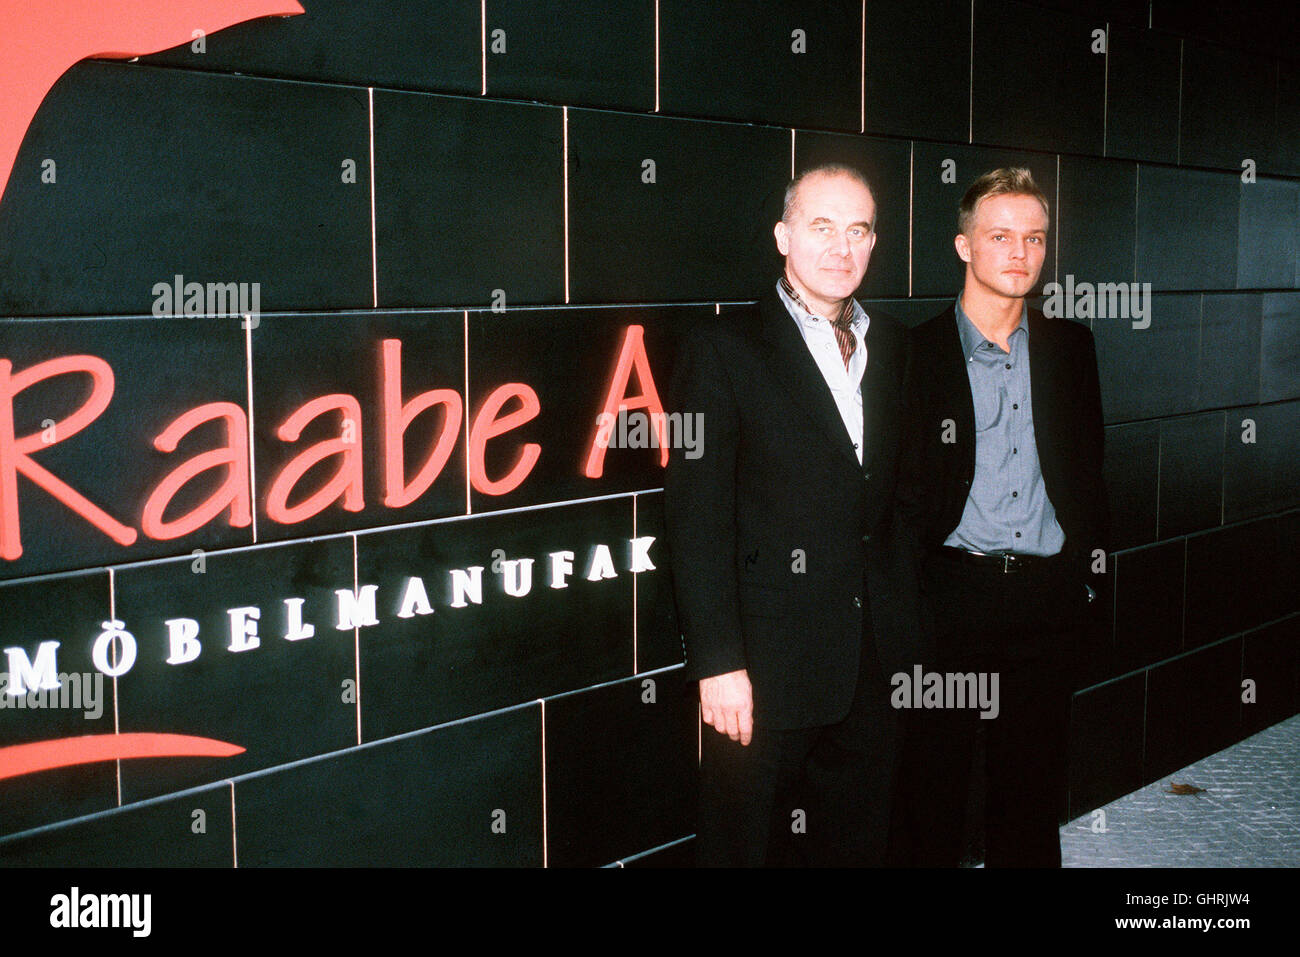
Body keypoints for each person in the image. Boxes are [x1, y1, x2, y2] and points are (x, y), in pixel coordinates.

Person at [663, 163, 916, 866]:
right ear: (783, 236)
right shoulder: (722, 348)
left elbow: (898, 502)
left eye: (858, 230)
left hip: (873, 658)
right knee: (742, 844)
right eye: (821, 227)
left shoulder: (893, 345)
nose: (842, 248)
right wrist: (716, 661)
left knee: (857, 842)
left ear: (874, 243)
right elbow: (695, 517)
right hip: (762, 664)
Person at [890, 167, 1108, 867]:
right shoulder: (910, 354)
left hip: (1046, 602)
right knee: (932, 799)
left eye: (1035, 238)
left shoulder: (1072, 349)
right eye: (1001, 235)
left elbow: (1088, 475)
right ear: (963, 245)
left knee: (1032, 797)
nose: (1020, 252)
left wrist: (1085, 580)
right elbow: (891, 497)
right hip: (950, 602)